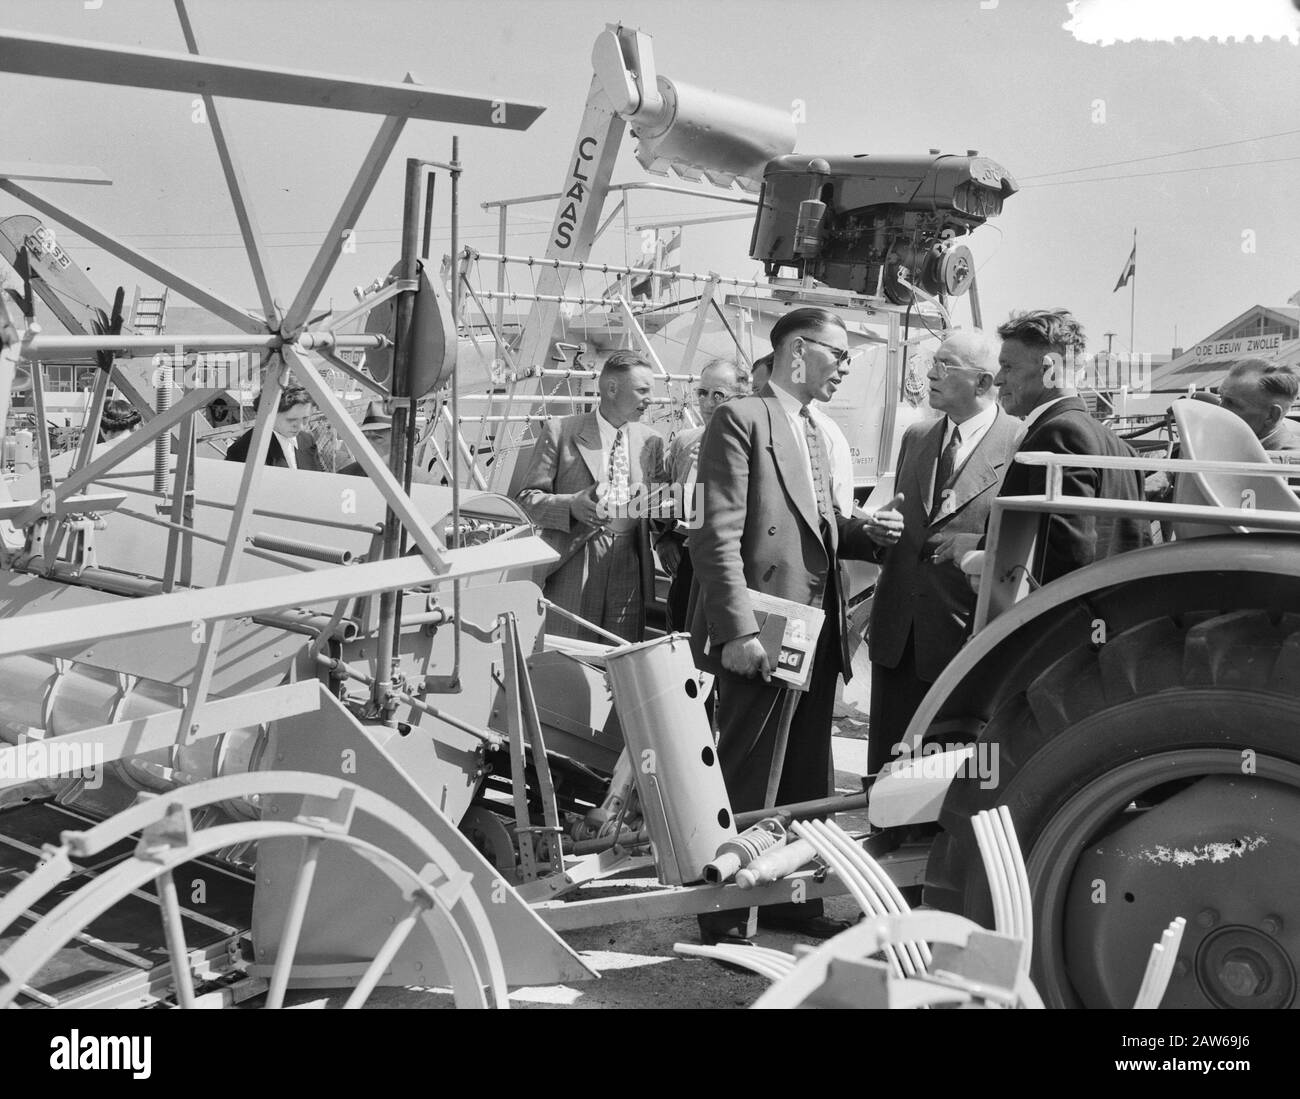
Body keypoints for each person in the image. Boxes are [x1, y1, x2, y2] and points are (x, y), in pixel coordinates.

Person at [688, 307, 881, 943]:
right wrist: (737, 631)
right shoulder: (741, 418)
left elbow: (815, 526)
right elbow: (716, 536)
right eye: (838, 355)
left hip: (815, 629)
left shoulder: (818, 433)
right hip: (766, 625)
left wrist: (864, 531)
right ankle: (724, 914)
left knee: (803, 768)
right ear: (798, 351)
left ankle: (789, 902)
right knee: (750, 769)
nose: (845, 367)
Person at [864, 330, 1023, 776]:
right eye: (933, 362)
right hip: (899, 638)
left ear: (983, 382)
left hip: (965, 641)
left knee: (949, 782)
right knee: (888, 775)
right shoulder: (916, 436)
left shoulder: (1021, 443)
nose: (930, 374)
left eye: (945, 365)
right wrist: (880, 531)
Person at [980, 309, 1148, 585]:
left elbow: (1065, 556)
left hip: (1061, 621)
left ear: (1050, 369)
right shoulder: (1119, 446)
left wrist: (978, 551)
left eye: (1008, 366)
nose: (998, 379)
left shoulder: (1058, 435)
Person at [516, 349, 668, 643]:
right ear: (612, 388)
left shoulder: (653, 441)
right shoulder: (560, 431)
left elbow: (661, 506)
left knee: (620, 659)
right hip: (572, 561)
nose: (651, 398)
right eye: (642, 390)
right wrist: (570, 505)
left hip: (630, 566)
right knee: (568, 654)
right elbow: (526, 500)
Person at [655, 357, 750, 630]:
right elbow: (663, 494)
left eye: (718, 395)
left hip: (729, 571)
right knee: (679, 642)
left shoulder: (752, 446)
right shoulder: (685, 442)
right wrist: (663, 538)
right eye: (702, 393)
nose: (708, 403)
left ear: (740, 398)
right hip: (686, 566)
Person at [224, 384, 323, 470]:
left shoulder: (307, 440)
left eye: (305, 418)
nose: (300, 426)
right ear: (269, 415)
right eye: (291, 420)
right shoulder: (244, 449)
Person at [1217, 358, 1300, 452]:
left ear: (1271, 415)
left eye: (1231, 403)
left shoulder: (1287, 462)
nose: (1220, 409)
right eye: (1220, 397)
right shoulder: (1226, 441)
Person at [339, 401, 393, 476]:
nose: (368, 443)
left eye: (377, 437)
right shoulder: (346, 474)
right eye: (365, 438)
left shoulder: (412, 478)